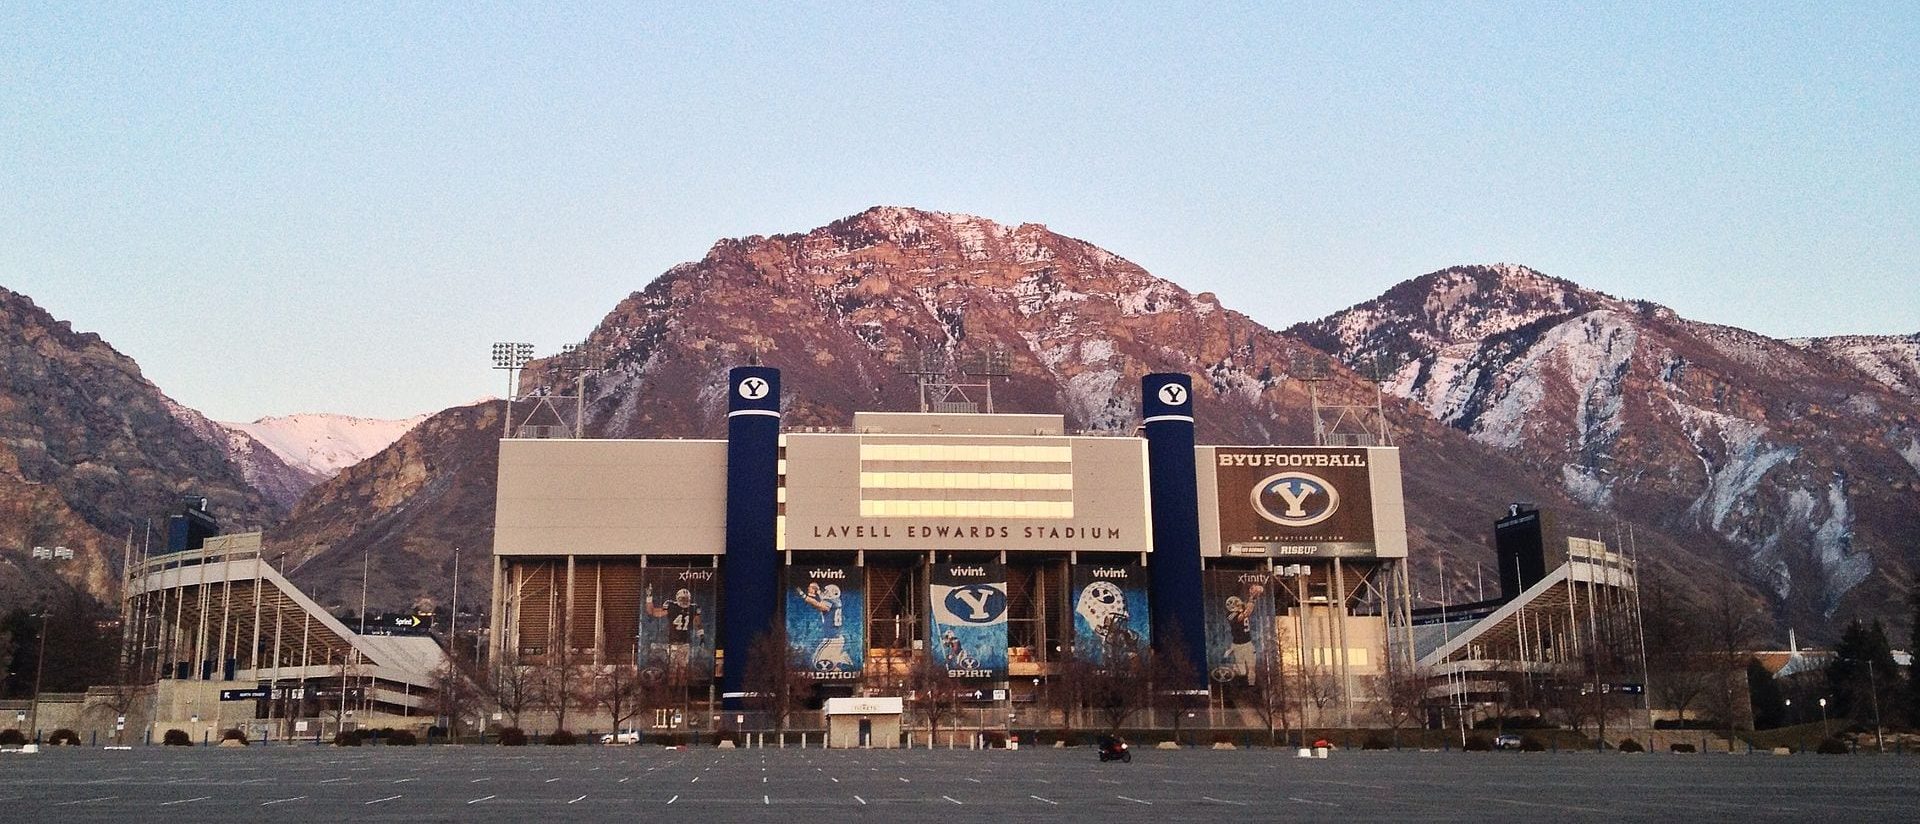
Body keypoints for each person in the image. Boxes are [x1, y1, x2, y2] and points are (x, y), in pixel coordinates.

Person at [646, 586, 704, 681]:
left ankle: (677, 693)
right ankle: (675, 693)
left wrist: (649, 597)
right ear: (677, 598)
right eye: (683, 599)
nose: (684, 601)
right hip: (678, 644)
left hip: (681, 643)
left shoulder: (675, 606)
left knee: (679, 671)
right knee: (677, 671)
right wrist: (701, 635)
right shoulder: (692, 608)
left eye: (686, 599)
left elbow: (651, 612)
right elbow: (698, 623)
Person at [800, 581, 852, 672]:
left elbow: (820, 605)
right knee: (833, 666)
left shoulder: (830, 602)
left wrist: (805, 597)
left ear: (832, 593)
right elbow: (824, 599)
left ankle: (842, 658)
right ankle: (841, 659)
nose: (825, 593)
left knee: (816, 660)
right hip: (838, 638)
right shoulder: (836, 601)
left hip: (831, 639)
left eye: (827, 591)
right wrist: (818, 591)